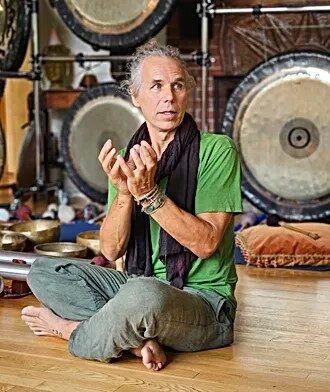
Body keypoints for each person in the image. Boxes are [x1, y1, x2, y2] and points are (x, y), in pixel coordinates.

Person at [21, 41, 242, 371]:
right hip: (138, 286)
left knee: (142, 296)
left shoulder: (217, 150)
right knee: (43, 272)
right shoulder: (130, 157)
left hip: (203, 302)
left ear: (187, 94)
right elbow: (111, 251)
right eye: (156, 86)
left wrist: (150, 195)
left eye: (177, 85)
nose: (169, 95)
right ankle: (139, 340)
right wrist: (125, 194)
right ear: (136, 97)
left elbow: (207, 243)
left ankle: (71, 331)